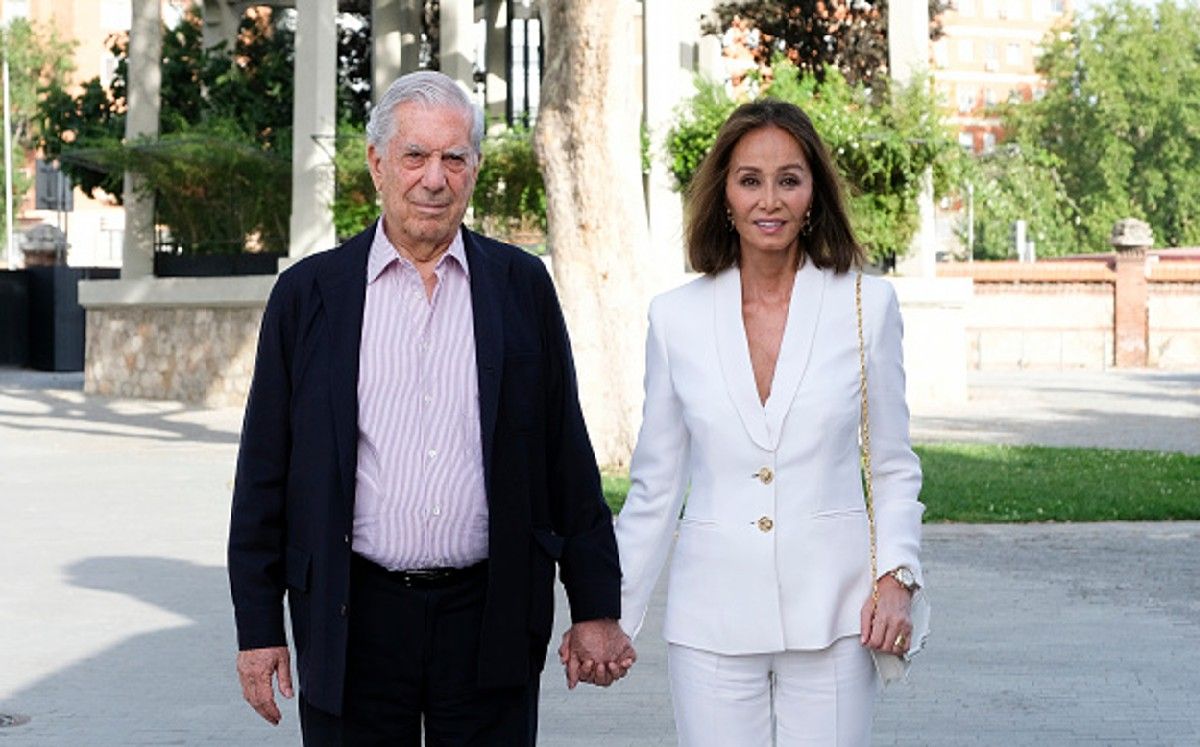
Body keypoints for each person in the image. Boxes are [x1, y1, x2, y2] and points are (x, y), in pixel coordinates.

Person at [227, 70, 634, 746]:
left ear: (475, 169)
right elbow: (263, 475)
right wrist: (258, 629)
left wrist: (596, 606)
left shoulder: (521, 285)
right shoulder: (308, 296)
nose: (434, 179)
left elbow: (565, 453)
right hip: (351, 617)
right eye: (414, 155)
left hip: (491, 614)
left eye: (454, 158)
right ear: (377, 164)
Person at [608, 99, 925, 745]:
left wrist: (897, 576)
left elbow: (893, 465)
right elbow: (655, 487)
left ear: (814, 195)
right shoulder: (675, 318)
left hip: (837, 614)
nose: (770, 200)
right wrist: (609, 614)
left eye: (789, 179)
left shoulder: (868, 304)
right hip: (711, 618)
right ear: (724, 195)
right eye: (750, 179)